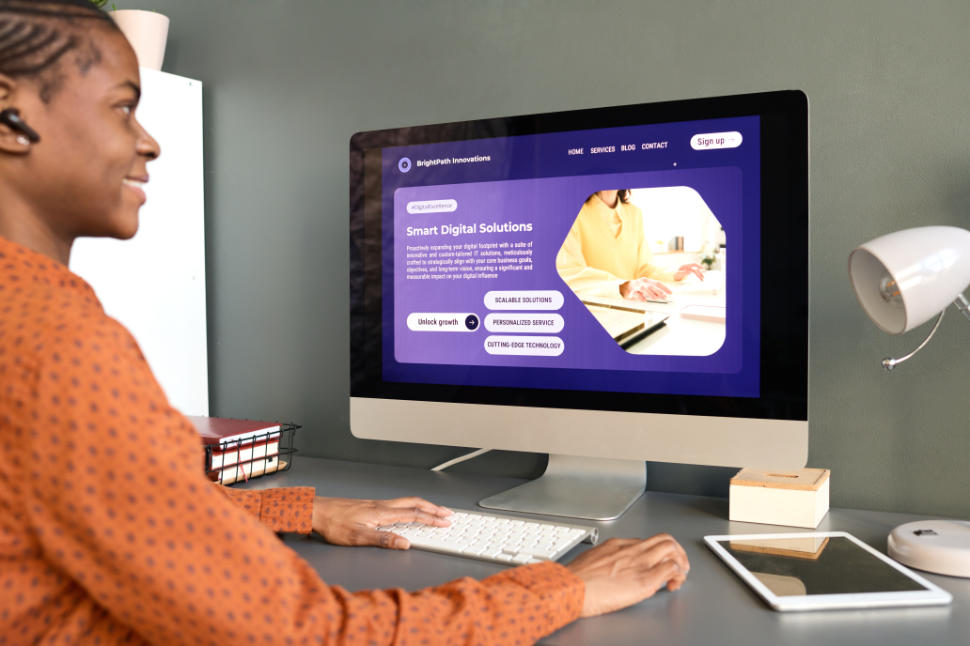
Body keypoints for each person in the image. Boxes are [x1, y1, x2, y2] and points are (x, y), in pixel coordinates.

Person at [0, 2, 689, 644]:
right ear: (9, 114)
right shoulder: (58, 344)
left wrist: (302, 511)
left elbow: (121, 509)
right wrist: (563, 589)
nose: (149, 143)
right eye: (125, 108)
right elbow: (303, 632)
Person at [557, 189, 704, 302]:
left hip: (636, 314)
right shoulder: (571, 212)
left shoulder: (634, 213)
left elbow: (643, 268)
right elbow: (570, 273)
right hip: (595, 318)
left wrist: (673, 274)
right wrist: (622, 286)